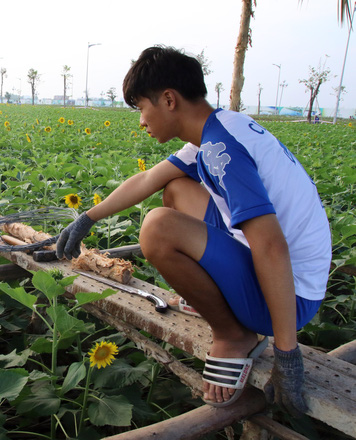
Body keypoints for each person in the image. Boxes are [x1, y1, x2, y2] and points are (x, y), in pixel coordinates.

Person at [56, 46, 331, 414]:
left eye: (141, 108)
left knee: (157, 227)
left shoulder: (222, 149)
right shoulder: (219, 129)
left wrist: (288, 357)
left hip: (287, 297)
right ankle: (213, 296)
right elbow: (149, 178)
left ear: (168, 99)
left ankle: (234, 336)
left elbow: (272, 247)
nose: (141, 121)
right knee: (175, 188)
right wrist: (88, 217)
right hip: (283, 273)